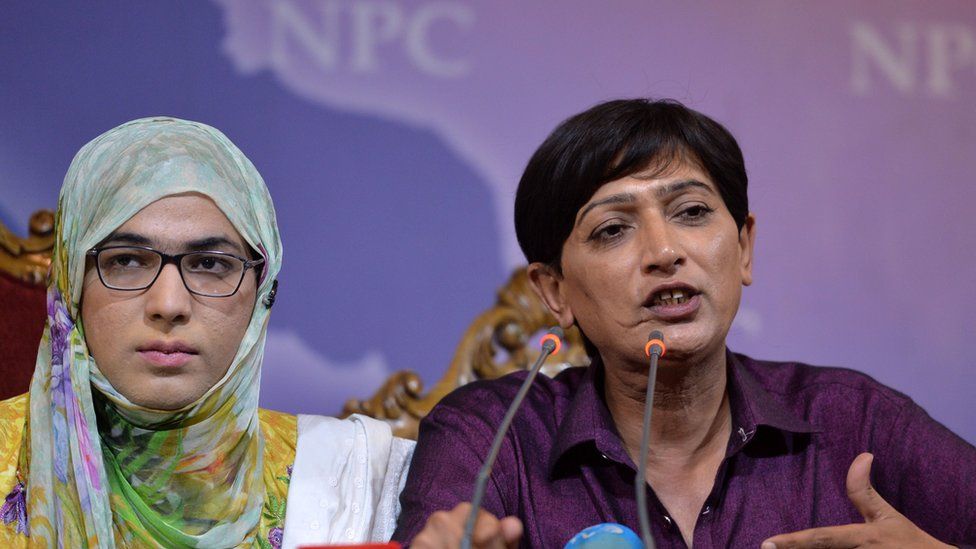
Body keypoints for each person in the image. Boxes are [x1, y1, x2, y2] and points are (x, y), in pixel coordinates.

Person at [392, 99, 976, 548]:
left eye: (692, 212)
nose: (664, 250)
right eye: (612, 229)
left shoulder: (853, 420)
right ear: (554, 291)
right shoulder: (495, 435)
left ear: (744, 248)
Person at [0, 117, 413, 548]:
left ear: (263, 291)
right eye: (125, 261)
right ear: (70, 284)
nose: (169, 305)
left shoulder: (357, 487)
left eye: (211, 264)